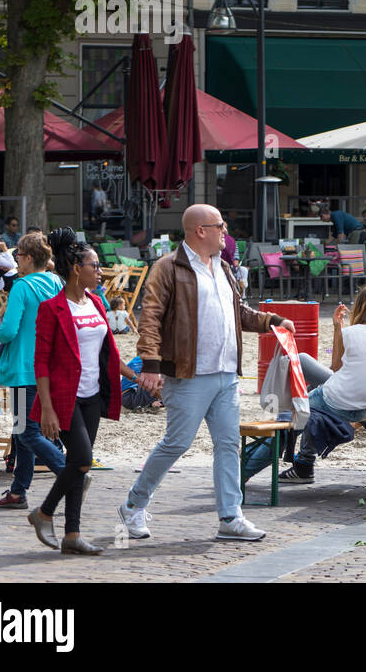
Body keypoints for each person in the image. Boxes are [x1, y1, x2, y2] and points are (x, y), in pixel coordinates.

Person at [119, 204, 296, 544]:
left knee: (228, 444)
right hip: (188, 374)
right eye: (220, 225)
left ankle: (230, 516)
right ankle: (133, 505)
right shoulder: (167, 267)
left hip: (226, 373)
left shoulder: (224, 267)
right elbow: (150, 317)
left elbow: (237, 312)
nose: (225, 231)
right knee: (177, 443)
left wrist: (271, 321)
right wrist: (152, 366)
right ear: (201, 230)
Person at [26, 235, 139, 554]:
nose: (100, 271)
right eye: (95, 265)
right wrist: (46, 408)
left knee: (80, 464)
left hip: (93, 396)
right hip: (64, 397)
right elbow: (41, 361)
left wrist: (136, 377)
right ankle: (44, 512)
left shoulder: (98, 303)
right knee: (83, 459)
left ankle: (72, 535)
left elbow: (109, 351)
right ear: (77, 269)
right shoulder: (52, 308)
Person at [263, 285, 366, 483]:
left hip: (341, 398)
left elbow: (335, 366)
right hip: (360, 403)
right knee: (308, 381)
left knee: (300, 408)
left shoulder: (351, 333)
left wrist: (338, 329)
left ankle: (295, 463)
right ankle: (302, 463)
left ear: (359, 307)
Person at [0, 231, 67, 510]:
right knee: (24, 429)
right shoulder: (57, 283)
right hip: (49, 367)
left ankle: (69, 473)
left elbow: (9, 330)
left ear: (29, 258)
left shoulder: (22, 287)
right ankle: (17, 491)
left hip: (25, 367)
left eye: (18, 255)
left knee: (26, 432)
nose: (16, 260)